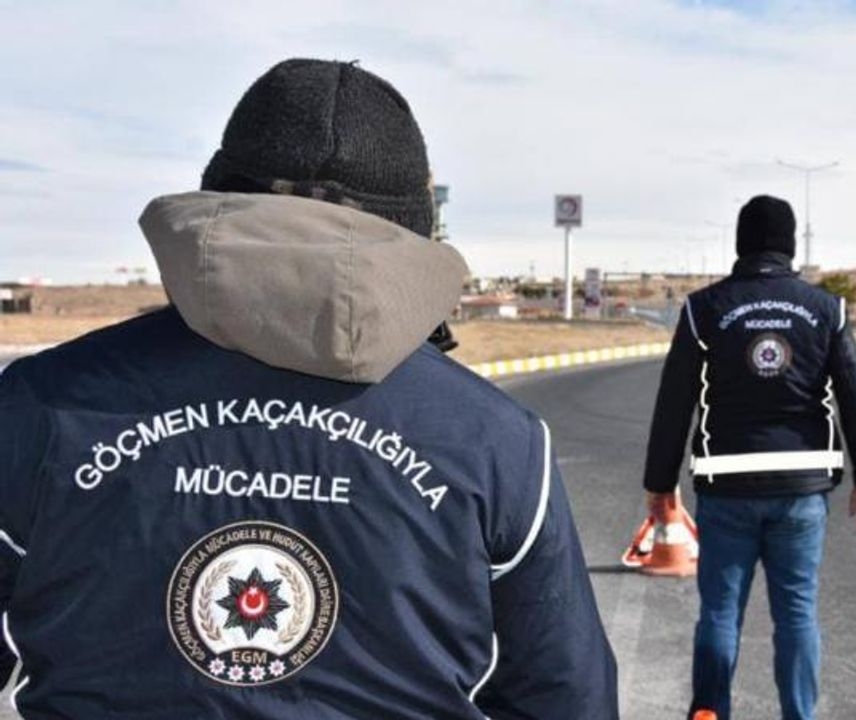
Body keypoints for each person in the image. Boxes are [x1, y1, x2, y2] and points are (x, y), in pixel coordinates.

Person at [0, 59, 617, 719]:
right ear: (415, 224)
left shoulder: (40, 404)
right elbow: (565, 696)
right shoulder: (498, 443)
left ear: (215, 196)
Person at [642, 195, 856, 720]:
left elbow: (674, 400)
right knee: (797, 614)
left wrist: (660, 483)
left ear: (740, 244)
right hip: (801, 492)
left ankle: (709, 713)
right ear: (789, 245)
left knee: (720, 615)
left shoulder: (703, 309)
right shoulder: (826, 310)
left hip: (725, 490)